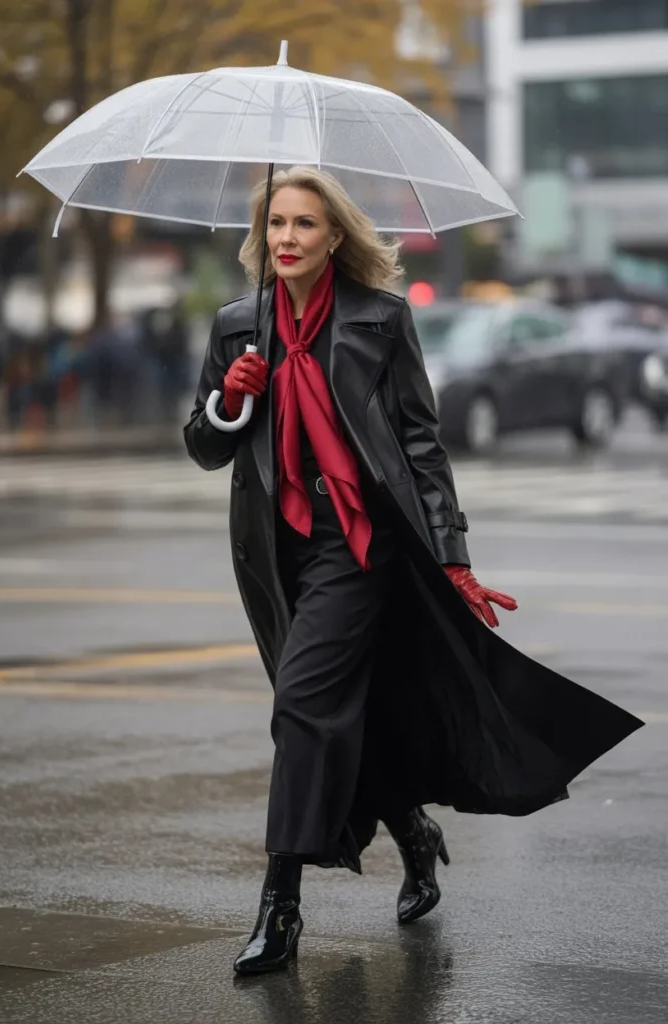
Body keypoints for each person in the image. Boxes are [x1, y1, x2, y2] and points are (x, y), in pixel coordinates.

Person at [184, 167, 642, 976]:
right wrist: (230, 397)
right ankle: (414, 834)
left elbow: (420, 443)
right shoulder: (236, 327)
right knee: (345, 716)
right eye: (278, 223)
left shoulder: (379, 319)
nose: (288, 238)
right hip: (273, 552)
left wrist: (452, 555)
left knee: (301, 708)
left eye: (306, 225)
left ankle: (279, 907)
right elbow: (204, 444)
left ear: (335, 239)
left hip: (358, 543)